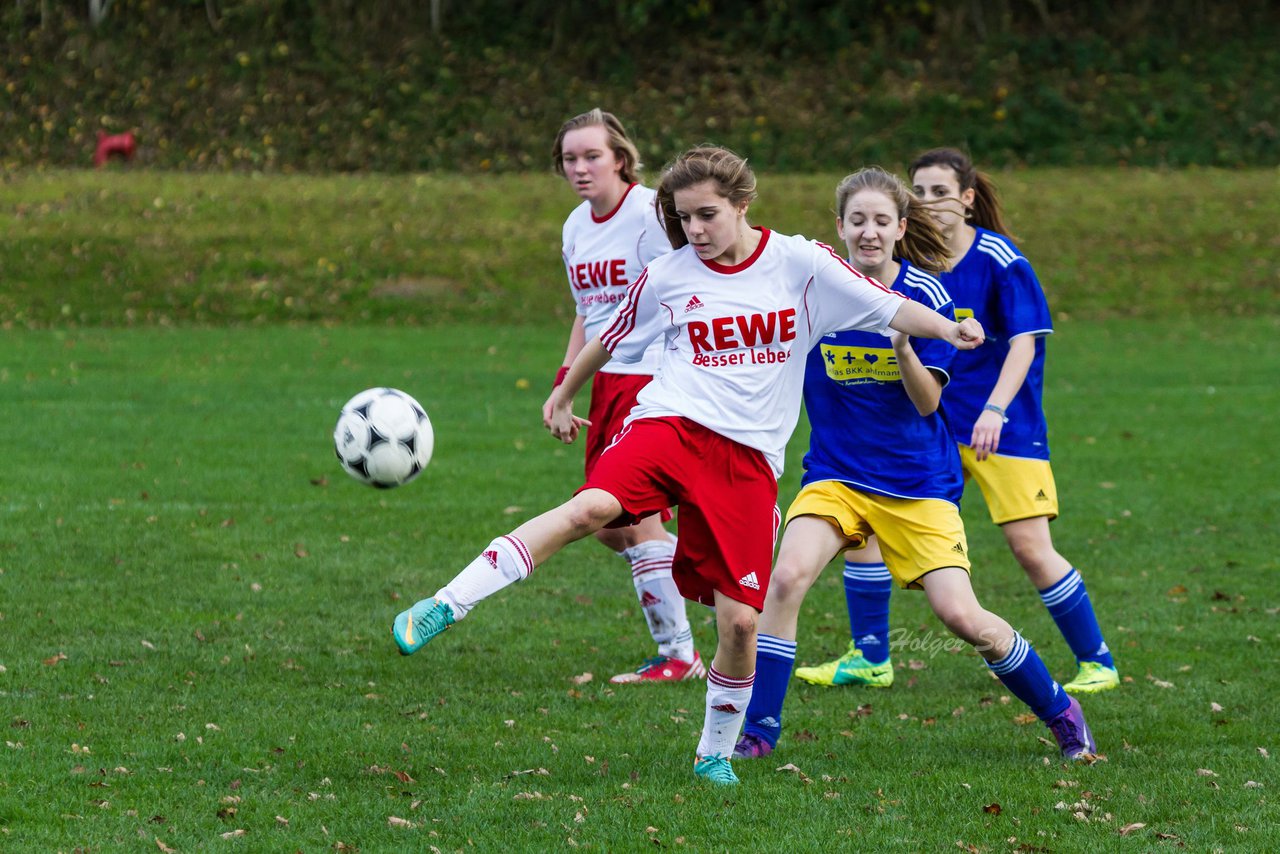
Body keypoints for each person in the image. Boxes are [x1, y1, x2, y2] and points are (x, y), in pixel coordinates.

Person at [392, 147, 985, 786]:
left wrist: (950, 332)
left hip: (750, 460)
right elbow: (609, 334)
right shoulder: (669, 275)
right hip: (669, 425)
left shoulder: (802, 264)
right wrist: (564, 388)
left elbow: (891, 307)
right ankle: (446, 603)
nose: (696, 230)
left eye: (707, 215)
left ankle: (713, 752)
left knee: (741, 622)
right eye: (684, 218)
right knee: (592, 508)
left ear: (742, 205)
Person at [734, 166, 1097, 762]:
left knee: (960, 614)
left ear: (901, 228)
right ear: (840, 228)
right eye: (857, 221)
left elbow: (928, 400)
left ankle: (1060, 708)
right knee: (786, 578)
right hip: (835, 474)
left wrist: (900, 336)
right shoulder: (814, 292)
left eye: (881, 221)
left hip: (917, 484)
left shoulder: (926, 297)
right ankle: (759, 733)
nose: (869, 232)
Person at [798, 149, 1119, 697]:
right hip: (927, 427)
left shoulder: (996, 257)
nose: (928, 202)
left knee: (1028, 546)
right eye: (918, 192)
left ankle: (1097, 660)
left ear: (967, 198)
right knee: (864, 530)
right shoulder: (903, 273)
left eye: (939, 191)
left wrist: (995, 409)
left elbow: (1023, 342)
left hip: (1001, 426)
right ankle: (871, 656)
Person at [545, 108, 703, 684]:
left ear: (620, 157)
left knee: (630, 520)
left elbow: (701, 279)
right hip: (609, 377)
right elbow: (588, 313)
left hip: (660, 377)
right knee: (612, 528)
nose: (581, 168)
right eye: (570, 159)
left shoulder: (653, 212)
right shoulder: (575, 227)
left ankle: (679, 655)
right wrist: (565, 386)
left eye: (592, 155)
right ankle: (712, 560)